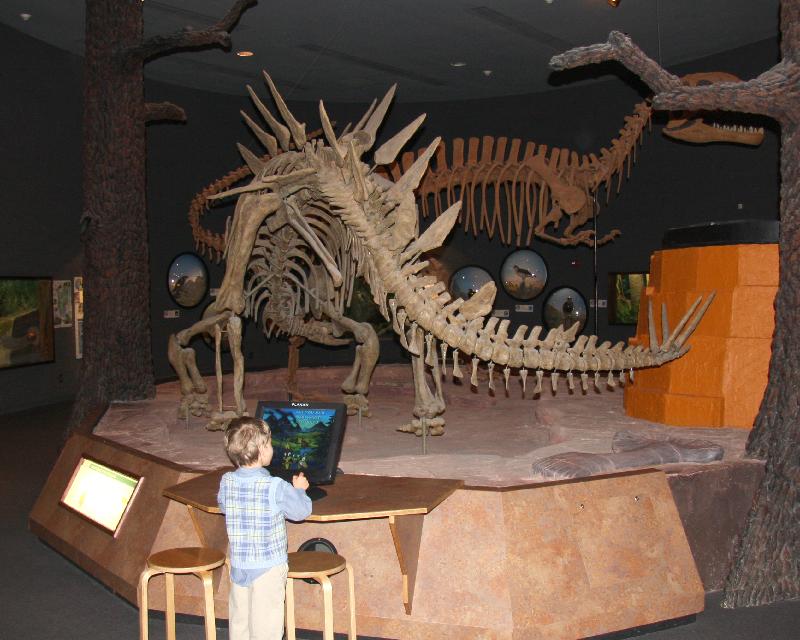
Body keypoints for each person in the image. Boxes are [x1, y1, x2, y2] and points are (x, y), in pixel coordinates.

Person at [218, 416, 312, 640]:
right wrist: (300, 490)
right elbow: (301, 511)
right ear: (261, 450)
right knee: (267, 627)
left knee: (240, 623)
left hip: (239, 565)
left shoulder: (227, 481)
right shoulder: (275, 486)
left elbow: (223, 504)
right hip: (268, 568)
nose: (272, 448)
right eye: (269, 444)